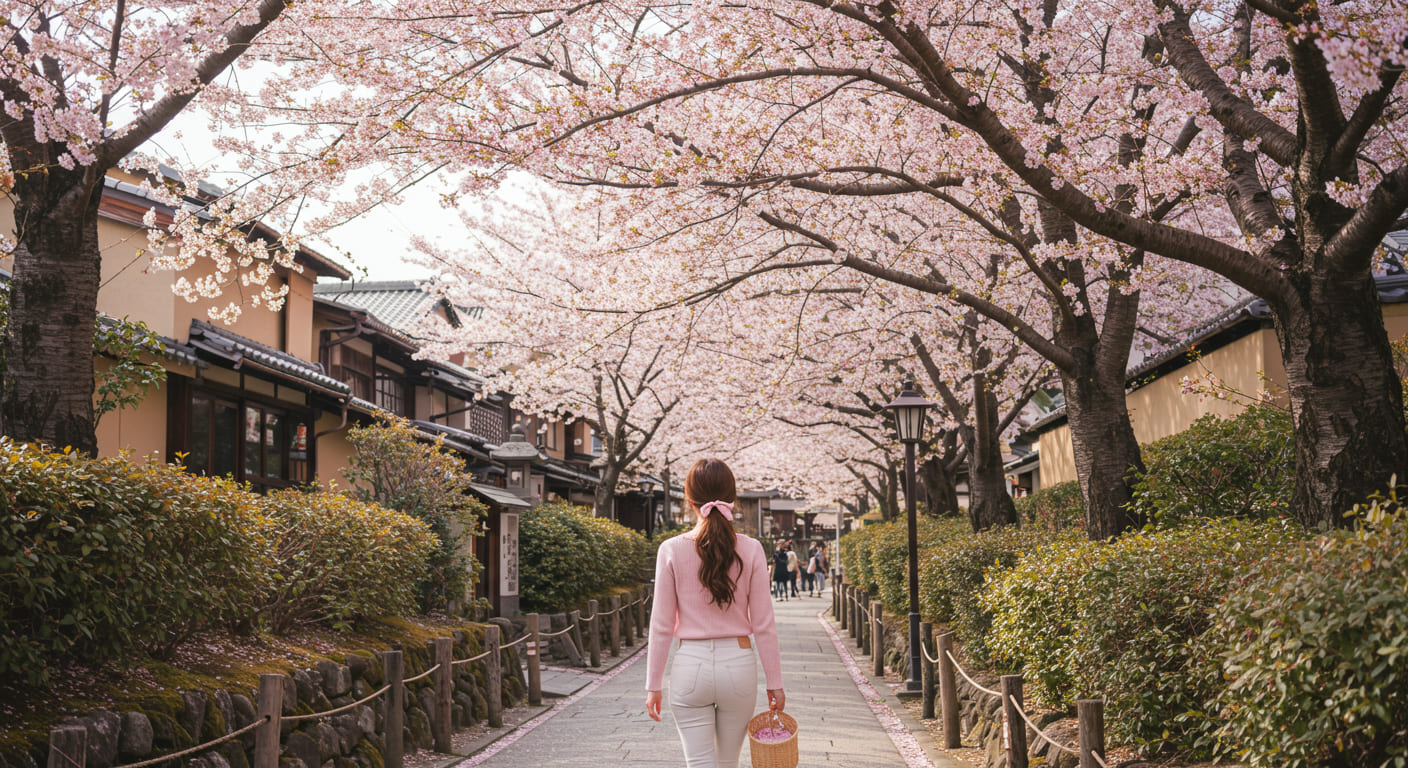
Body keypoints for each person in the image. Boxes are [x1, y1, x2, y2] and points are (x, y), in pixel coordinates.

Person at [646, 458, 785, 768]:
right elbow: (764, 624)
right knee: (727, 762)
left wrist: (653, 685)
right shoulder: (751, 549)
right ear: (732, 499)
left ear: (690, 501)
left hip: (689, 664)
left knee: (699, 763)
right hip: (738, 664)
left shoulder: (670, 549)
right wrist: (774, 681)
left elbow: (661, 625)